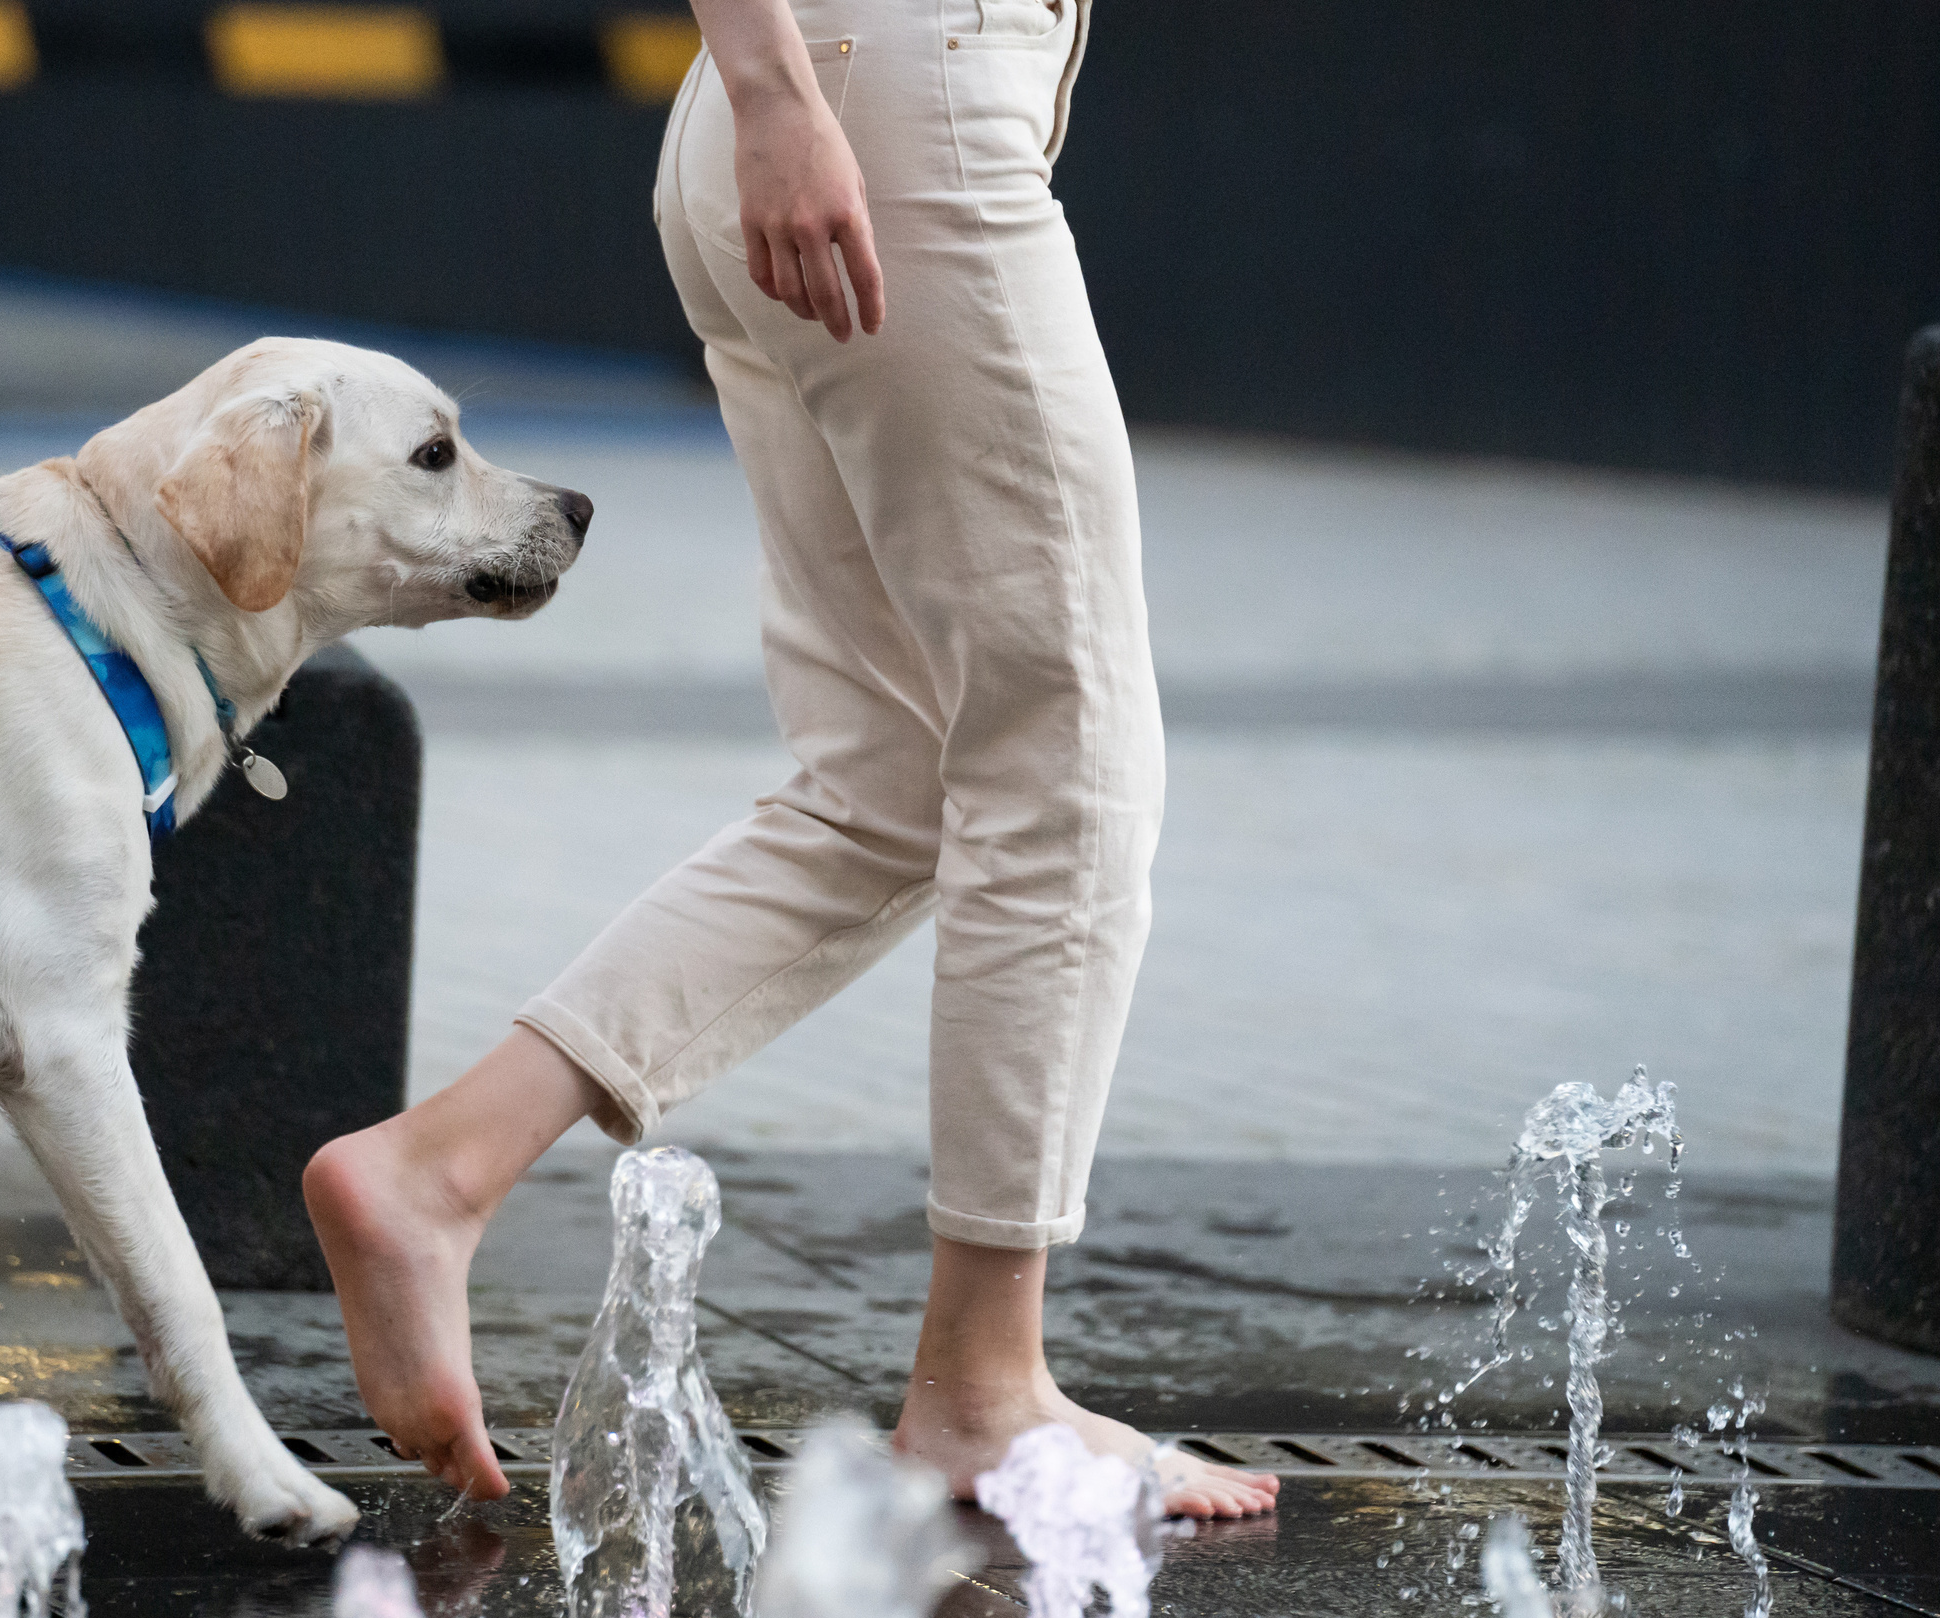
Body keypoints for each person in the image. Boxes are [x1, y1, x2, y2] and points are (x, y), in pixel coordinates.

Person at [305, 0, 1278, 1519]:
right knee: (1065, 763)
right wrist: (774, 86)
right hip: (884, 94)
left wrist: (768, 88)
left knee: (890, 784)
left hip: (842, 97)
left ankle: (441, 1168)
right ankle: (985, 1391)